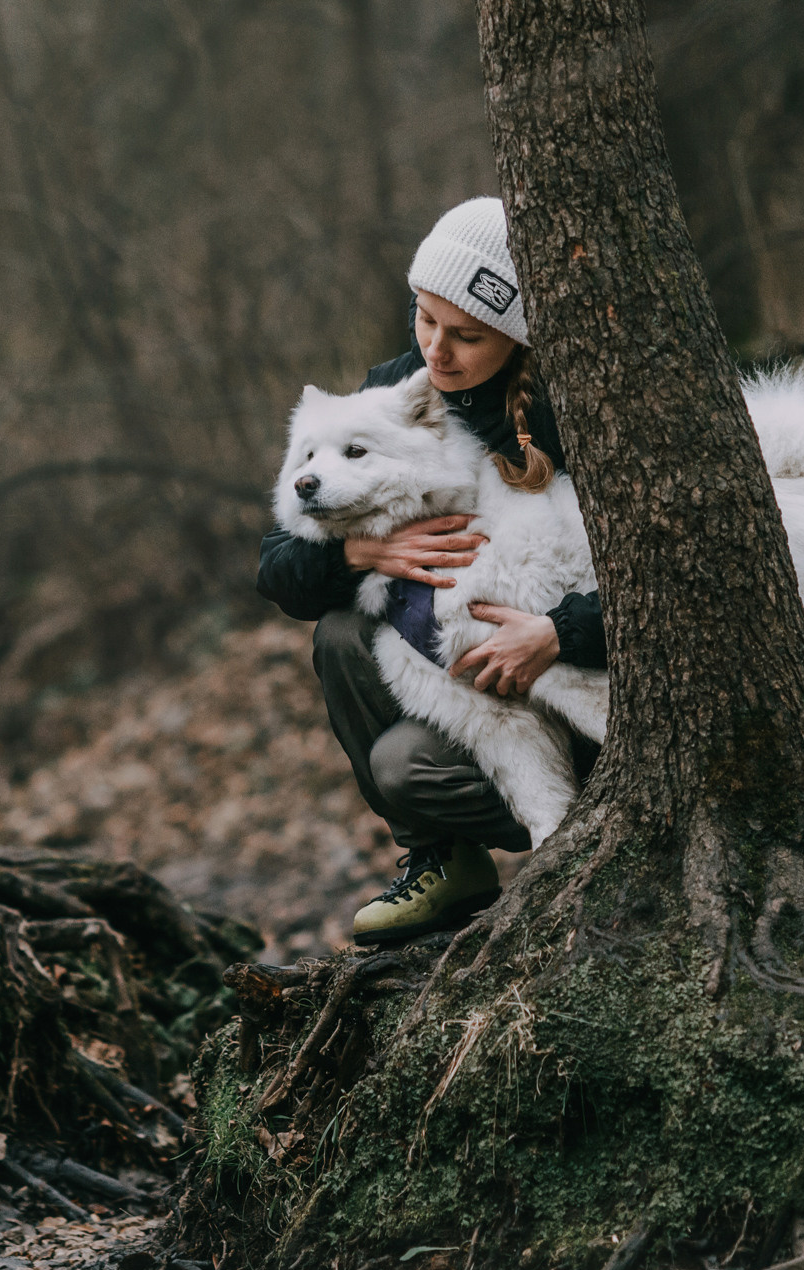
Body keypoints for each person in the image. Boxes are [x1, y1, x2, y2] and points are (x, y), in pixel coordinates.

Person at [255, 197, 604, 944]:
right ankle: (443, 861)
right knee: (349, 647)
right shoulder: (399, 384)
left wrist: (558, 633)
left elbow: (669, 575)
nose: (435, 353)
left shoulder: (574, 405)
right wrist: (356, 553)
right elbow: (276, 568)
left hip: (593, 680)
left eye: (466, 335)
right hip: (476, 686)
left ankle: (611, 817)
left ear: (516, 336)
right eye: (424, 318)